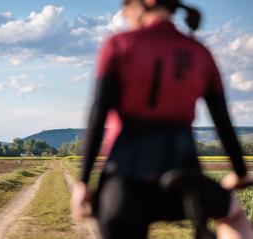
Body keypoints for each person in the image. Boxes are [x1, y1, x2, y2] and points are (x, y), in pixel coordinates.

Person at [71, 0, 253, 238]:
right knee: (234, 215)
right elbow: (223, 123)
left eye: (126, 3)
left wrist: (83, 182)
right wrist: (239, 173)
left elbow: (98, 114)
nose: (123, 11)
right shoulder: (200, 53)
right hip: (184, 186)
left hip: (125, 184)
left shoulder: (118, 45)